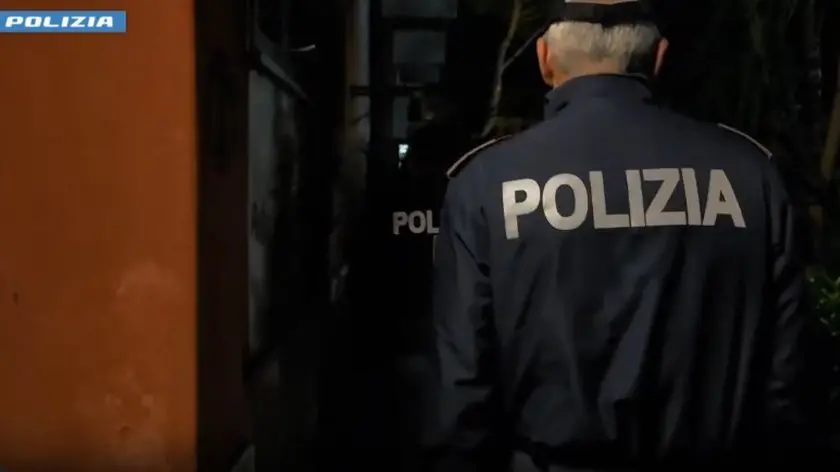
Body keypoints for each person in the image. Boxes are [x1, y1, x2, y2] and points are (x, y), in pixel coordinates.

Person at [420, 0, 832, 470]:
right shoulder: (748, 174)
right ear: (659, 57)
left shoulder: (486, 184)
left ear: (544, 59)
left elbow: (462, 391)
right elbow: (789, 381)